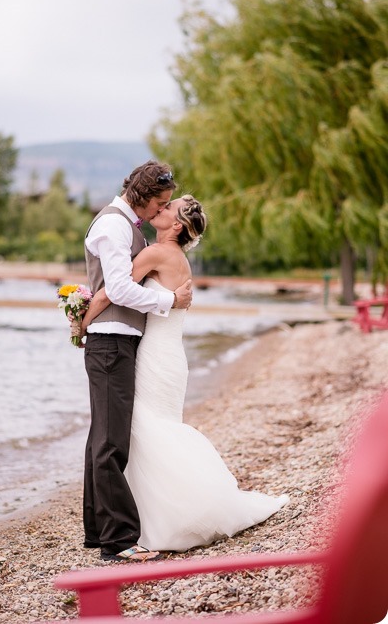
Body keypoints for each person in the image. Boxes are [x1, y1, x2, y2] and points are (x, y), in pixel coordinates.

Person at [80, 194, 289, 553]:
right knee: (151, 429)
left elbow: (110, 294)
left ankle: (158, 518)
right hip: (169, 356)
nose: (159, 209)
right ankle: (147, 515)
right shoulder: (175, 258)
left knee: (144, 429)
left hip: (154, 356)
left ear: (176, 225)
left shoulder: (156, 254)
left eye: (166, 208)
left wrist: (80, 322)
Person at [79, 160, 192, 563]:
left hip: (118, 340)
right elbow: (120, 289)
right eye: (159, 202)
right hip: (111, 342)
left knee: (104, 438)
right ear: (142, 197)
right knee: (111, 443)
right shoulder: (112, 225)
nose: (160, 210)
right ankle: (119, 540)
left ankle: (100, 532)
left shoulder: (128, 227)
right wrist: (168, 300)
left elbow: (111, 288)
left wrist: (84, 316)